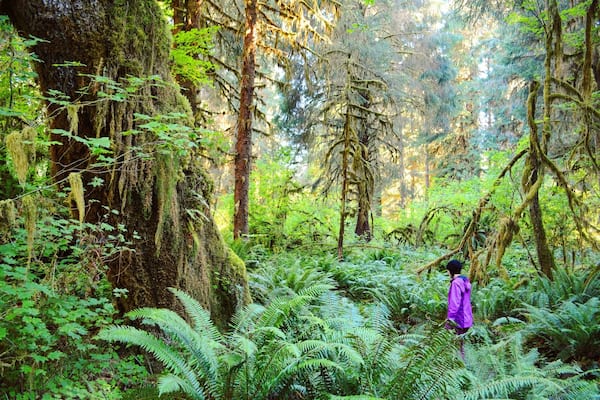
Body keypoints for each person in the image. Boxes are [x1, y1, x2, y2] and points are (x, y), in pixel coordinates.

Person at [445, 259, 473, 360]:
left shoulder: (456, 283)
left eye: (448, 271)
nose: (448, 273)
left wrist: (450, 320)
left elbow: (454, 303)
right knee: (460, 344)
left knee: (453, 344)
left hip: (459, 319)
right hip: (467, 319)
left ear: (451, 271)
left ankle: (458, 366)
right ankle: (461, 365)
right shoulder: (465, 281)